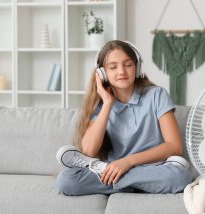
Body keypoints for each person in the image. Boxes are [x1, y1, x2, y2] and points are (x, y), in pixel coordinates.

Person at [56, 40, 192, 195]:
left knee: (180, 177)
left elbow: (175, 146)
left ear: (137, 67)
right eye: (113, 67)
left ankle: (118, 181)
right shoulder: (101, 106)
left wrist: (127, 162)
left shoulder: (157, 95)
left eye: (128, 65)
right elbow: (89, 151)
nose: (121, 71)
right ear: (102, 73)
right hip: (117, 172)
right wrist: (107, 103)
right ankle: (138, 184)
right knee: (66, 181)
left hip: (154, 168)